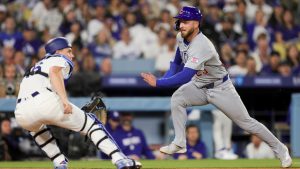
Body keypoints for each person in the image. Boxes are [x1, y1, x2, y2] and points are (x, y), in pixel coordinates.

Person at [141, 6, 292, 168]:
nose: (181, 24)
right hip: (199, 85)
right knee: (177, 98)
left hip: (220, 88)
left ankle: (281, 149)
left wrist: (158, 83)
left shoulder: (202, 45)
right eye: (181, 21)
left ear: (196, 24)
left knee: (247, 123)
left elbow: (184, 76)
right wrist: (162, 79)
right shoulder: (180, 37)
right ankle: (179, 142)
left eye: (186, 21)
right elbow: (176, 64)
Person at [14, 37, 141, 169]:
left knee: (37, 131)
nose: (72, 55)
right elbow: (55, 72)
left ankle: (59, 162)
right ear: (57, 51)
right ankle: (120, 159)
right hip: (45, 101)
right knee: (92, 124)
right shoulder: (58, 58)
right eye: (68, 51)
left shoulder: (34, 67)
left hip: (21, 112)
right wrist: (64, 100)